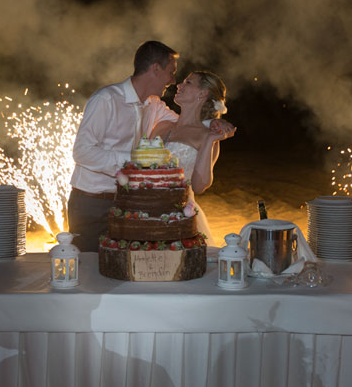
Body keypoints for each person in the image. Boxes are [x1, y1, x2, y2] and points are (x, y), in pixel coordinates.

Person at [68, 41, 234, 251]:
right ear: (156, 68)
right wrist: (135, 159)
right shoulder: (106, 99)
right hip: (93, 202)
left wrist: (214, 124)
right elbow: (82, 152)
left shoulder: (154, 106)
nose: (174, 82)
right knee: (89, 266)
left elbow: (189, 124)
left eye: (185, 82)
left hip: (136, 208)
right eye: (172, 73)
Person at [149, 71, 235, 245]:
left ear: (202, 94)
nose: (179, 85)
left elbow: (199, 185)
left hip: (181, 216)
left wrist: (210, 140)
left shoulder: (207, 135)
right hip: (148, 211)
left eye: (188, 83)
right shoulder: (163, 126)